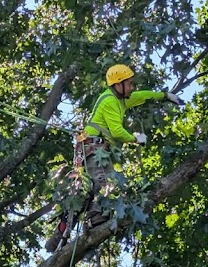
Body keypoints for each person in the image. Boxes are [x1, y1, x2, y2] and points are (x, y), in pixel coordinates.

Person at [45, 63, 183, 252]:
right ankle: (96, 216)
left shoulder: (120, 100)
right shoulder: (110, 101)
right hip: (93, 147)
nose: (132, 87)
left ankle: (59, 236)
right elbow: (117, 131)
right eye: (130, 84)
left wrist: (164, 95)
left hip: (88, 148)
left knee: (83, 193)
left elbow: (142, 96)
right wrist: (136, 138)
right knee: (105, 180)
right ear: (118, 84)